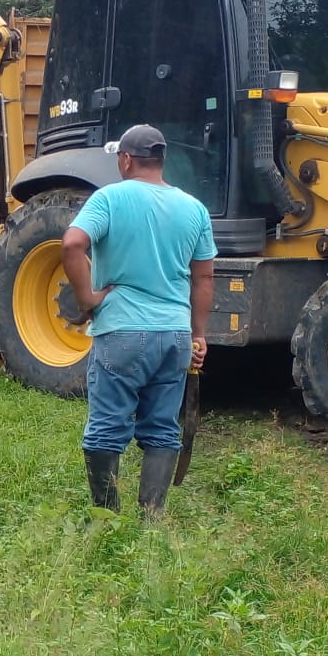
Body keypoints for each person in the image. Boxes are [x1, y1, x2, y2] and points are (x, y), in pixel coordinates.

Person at [60, 123, 215, 513]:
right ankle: (151, 521)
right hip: (175, 336)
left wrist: (87, 298)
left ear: (126, 160)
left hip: (121, 332)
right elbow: (204, 277)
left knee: (106, 429)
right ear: (162, 160)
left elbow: (72, 243)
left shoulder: (109, 199)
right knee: (162, 428)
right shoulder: (194, 208)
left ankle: (107, 518)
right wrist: (198, 335)